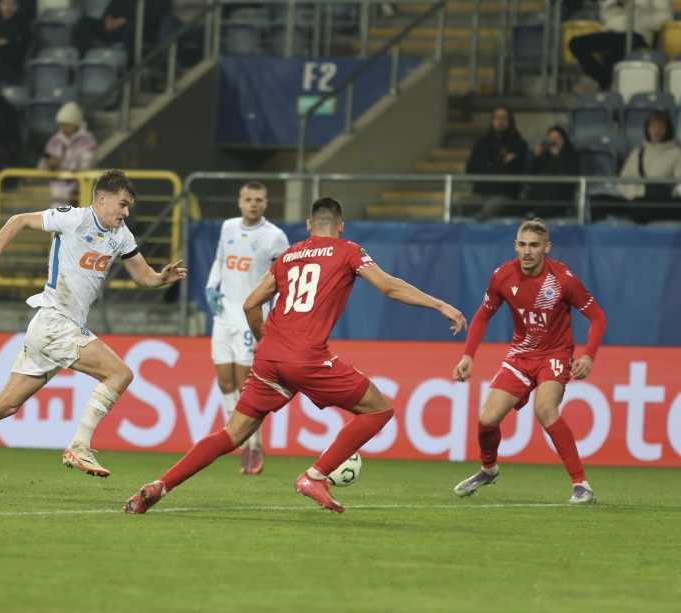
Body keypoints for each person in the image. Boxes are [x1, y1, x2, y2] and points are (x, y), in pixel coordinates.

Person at [124, 197, 467, 514]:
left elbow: (250, 304)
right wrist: (439, 304)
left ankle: (161, 485)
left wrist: (264, 341)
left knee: (231, 434)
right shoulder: (348, 250)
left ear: (308, 225)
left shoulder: (288, 256)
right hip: (306, 356)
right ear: (341, 226)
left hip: (269, 358)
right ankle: (316, 475)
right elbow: (388, 286)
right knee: (379, 409)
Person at [0, 169, 189, 489]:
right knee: (120, 374)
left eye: (129, 207)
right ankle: (79, 445)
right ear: (101, 199)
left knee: (6, 404)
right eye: (122, 204)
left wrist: (160, 279)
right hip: (55, 322)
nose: (126, 212)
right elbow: (18, 220)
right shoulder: (74, 219)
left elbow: (143, 275)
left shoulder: (122, 235)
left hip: (54, 328)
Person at [452, 218, 607, 504]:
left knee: (545, 409)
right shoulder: (502, 276)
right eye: (522, 244)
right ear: (515, 245)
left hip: (555, 354)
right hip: (520, 355)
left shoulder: (563, 279)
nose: (527, 251)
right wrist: (468, 356)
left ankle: (581, 485)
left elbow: (597, 317)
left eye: (534, 245)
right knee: (487, 419)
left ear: (547, 247)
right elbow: (483, 315)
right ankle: (488, 470)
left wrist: (588, 356)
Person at [204, 182, 289, 474]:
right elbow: (220, 260)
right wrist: (211, 287)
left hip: (249, 316)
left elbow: (284, 280)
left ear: (266, 203)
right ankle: (240, 442)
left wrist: (272, 317)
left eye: (258, 200)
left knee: (245, 385)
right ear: (240, 202)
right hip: (223, 314)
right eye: (249, 199)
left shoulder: (275, 236)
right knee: (224, 382)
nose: (253, 204)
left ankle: (255, 443)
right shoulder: (228, 227)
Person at [568, 0, 672, 93]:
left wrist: (637, 20)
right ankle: (604, 80)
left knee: (619, 43)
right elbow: (604, 16)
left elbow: (664, 17)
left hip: (638, 33)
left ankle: (604, 83)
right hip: (612, 32)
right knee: (576, 44)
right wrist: (618, 5)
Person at [462, 105, 528, 221]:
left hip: (504, 195)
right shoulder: (482, 143)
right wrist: (501, 165)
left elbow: (514, 171)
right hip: (481, 193)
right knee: (456, 206)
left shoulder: (519, 145)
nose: (500, 122)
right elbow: (471, 169)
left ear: (510, 121)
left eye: (504, 118)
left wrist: (490, 167)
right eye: (497, 118)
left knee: (490, 210)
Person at [37, 101, 97, 206]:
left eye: (68, 125)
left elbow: (86, 167)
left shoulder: (88, 141)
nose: (64, 128)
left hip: (79, 197)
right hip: (56, 199)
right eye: (62, 125)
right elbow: (41, 166)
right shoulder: (55, 140)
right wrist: (48, 163)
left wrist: (60, 164)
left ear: (76, 124)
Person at [520, 125, 580, 218]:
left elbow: (566, 179)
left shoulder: (570, 156)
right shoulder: (543, 156)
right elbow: (527, 176)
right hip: (537, 195)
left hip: (558, 197)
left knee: (540, 211)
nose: (553, 142)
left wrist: (557, 157)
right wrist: (535, 156)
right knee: (514, 208)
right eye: (551, 139)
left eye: (557, 138)